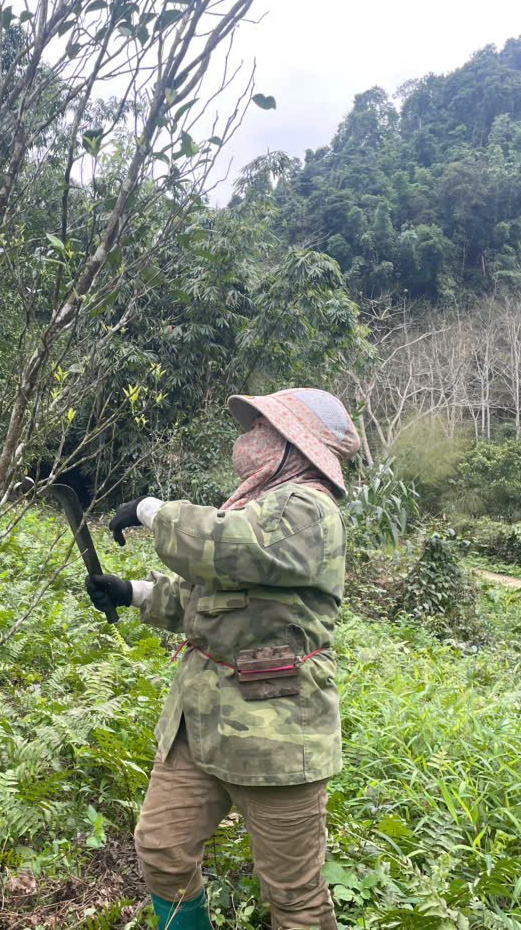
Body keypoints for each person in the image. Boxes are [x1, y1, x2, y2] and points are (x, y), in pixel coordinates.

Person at [85, 388, 360, 930]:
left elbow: (230, 545)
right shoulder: (258, 507)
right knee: (163, 851)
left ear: (294, 445)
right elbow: (204, 601)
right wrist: (130, 591)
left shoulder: (309, 509)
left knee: (295, 897)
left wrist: (150, 510)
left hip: (276, 738)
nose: (248, 439)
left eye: (262, 428)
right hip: (202, 724)